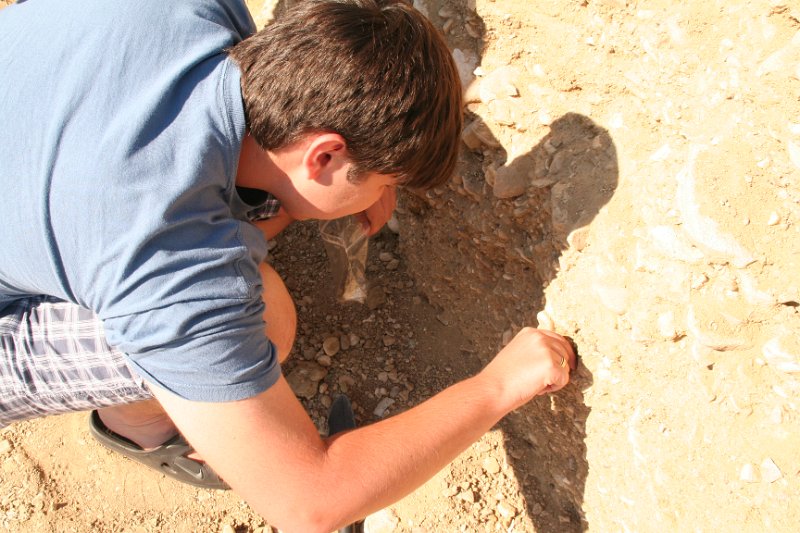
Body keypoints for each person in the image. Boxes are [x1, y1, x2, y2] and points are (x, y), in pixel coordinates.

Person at [0, 0, 576, 531]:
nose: (383, 196)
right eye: (384, 180)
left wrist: (354, 179)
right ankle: (142, 427)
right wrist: (497, 386)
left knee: (248, 230)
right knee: (265, 314)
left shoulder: (189, 10)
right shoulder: (171, 265)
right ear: (324, 153)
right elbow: (309, 501)